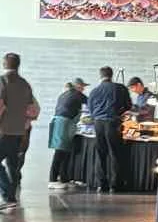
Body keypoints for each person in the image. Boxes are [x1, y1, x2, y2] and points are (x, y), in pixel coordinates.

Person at [0, 51, 38, 212]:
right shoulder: (25, 84)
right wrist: (24, 124)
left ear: (4, 64)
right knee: (12, 164)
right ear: (18, 65)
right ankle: (13, 197)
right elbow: (32, 110)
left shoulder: (1, 81)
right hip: (18, 133)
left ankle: (8, 197)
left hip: (2, 131)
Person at [87, 65, 132, 194]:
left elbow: (90, 109)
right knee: (115, 153)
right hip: (113, 123)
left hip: (98, 123)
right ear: (111, 75)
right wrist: (119, 113)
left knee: (101, 153)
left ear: (100, 76)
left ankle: (101, 184)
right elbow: (128, 105)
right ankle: (115, 184)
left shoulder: (94, 91)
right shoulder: (120, 88)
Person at [47, 79, 87, 192]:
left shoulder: (64, 94)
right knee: (60, 151)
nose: (83, 89)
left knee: (66, 151)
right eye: (82, 86)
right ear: (77, 86)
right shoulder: (77, 94)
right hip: (64, 123)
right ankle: (52, 180)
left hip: (60, 122)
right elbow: (91, 103)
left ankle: (64, 179)